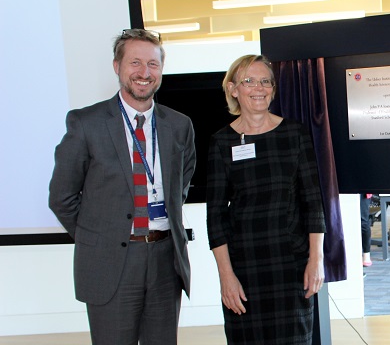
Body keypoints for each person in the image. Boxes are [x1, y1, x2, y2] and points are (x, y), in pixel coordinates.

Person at [48, 28, 196, 344]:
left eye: (153, 64)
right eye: (135, 63)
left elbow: (181, 184)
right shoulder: (85, 123)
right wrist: (100, 235)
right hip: (112, 262)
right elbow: (62, 196)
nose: (144, 73)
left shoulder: (180, 125)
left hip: (165, 260)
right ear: (117, 66)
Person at [206, 54, 326, 344]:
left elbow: (313, 202)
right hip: (244, 268)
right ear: (234, 89)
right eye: (249, 81)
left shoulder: (295, 134)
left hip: (291, 264)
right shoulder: (221, 142)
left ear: (273, 89)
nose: (258, 88)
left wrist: (316, 259)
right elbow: (216, 216)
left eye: (265, 81)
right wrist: (226, 276)